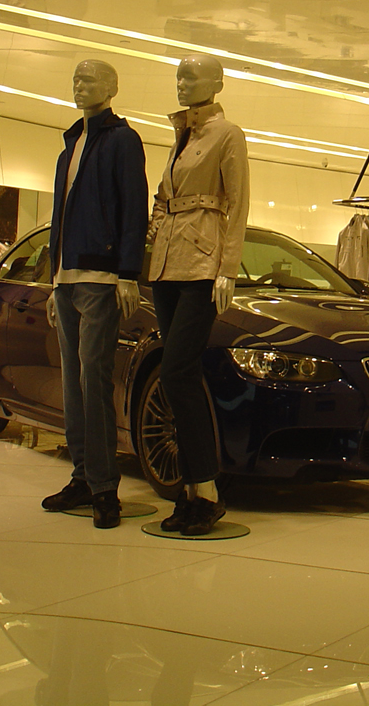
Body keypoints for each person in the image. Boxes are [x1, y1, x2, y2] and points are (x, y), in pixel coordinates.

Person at [41, 60, 148, 529]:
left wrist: (127, 272)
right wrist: (53, 276)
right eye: (75, 79)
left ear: (111, 87)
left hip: (102, 277)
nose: (77, 85)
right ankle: (83, 475)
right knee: (72, 383)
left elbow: (133, 207)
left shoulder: (122, 140)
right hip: (67, 278)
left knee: (94, 380)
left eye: (87, 80)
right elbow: (60, 213)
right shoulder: (71, 144)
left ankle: (105, 487)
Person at [148, 54, 250, 535]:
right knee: (177, 376)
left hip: (202, 264)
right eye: (178, 76)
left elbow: (237, 202)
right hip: (168, 264)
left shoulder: (227, 135)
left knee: (177, 369)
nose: (181, 83)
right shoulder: (180, 134)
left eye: (190, 76)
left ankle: (207, 490)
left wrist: (227, 268)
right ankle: (192, 490)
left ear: (217, 82)